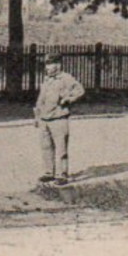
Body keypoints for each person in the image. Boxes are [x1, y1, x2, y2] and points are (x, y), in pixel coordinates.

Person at [33, 57, 85, 185]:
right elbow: (41, 99)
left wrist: (68, 99)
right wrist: (37, 116)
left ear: (58, 65)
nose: (47, 68)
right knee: (46, 146)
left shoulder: (66, 78)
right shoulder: (46, 80)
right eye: (46, 65)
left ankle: (62, 174)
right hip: (44, 118)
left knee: (61, 148)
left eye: (50, 64)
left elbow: (80, 91)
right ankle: (49, 172)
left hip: (59, 118)